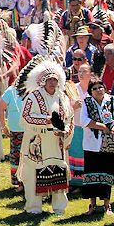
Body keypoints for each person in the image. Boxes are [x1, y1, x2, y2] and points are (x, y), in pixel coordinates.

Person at [18, 59, 73, 215]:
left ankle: (59, 208)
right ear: (42, 81)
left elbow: (69, 118)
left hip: (57, 142)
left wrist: (65, 130)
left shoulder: (63, 97)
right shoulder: (33, 97)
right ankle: (34, 208)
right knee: (33, 174)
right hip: (38, 142)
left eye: (55, 80)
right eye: (49, 80)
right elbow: (25, 117)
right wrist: (46, 120)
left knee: (59, 172)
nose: (52, 83)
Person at [79, 77, 114, 215]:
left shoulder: (113, 100)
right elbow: (83, 120)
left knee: (107, 173)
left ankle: (107, 205)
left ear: (105, 88)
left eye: (100, 87)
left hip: (109, 144)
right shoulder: (87, 102)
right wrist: (101, 126)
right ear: (90, 91)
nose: (98, 90)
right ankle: (93, 205)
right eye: (94, 88)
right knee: (91, 175)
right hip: (92, 144)